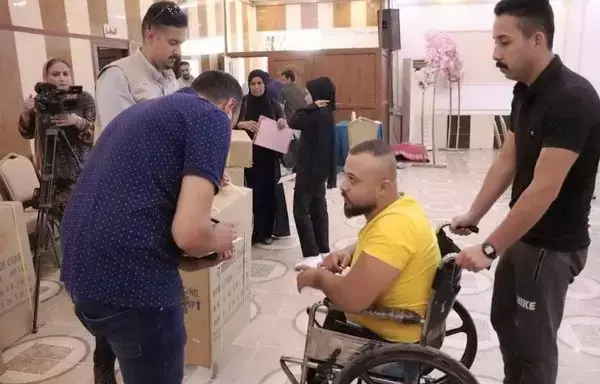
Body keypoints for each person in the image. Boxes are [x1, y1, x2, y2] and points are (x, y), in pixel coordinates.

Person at [59, 70, 243, 384]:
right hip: (132, 289)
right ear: (228, 107)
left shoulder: (141, 111)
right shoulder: (212, 117)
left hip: (79, 275)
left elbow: (137, 205)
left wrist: (187, 254)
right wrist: (219, 236)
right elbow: (191, 234)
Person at [450, 1, 600, 384]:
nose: (495, 54)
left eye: (504, 42)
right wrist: (475, 215)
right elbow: (508, 158)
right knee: (505, 321)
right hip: (523, 234)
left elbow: (544, 189)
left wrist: (488, 248)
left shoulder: (573, 98)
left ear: (537, 39)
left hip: (551, 245)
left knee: (533, 345)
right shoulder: (524, 91)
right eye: (494, 42)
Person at [296, 139, 441, 382]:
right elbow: (381, 248)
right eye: (345, 176)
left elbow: (351, 300)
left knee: (330, 308)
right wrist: (350, 253)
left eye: (353, 180)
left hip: (393, 350)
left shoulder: (392, 229)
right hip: (408, 333)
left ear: (383, 187)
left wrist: (317, 277)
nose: (342, 186)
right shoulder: (403, 206)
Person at [18, 58, 96, 219]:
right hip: (51, 172)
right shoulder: (41, 102)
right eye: (55, 74)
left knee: (83, 219)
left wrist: (76, 121)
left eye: (65, 74)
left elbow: (90, 136)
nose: (61, 78)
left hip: (79, 170)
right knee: (61, 221)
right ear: (45, 78)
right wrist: (26, 113)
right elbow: (28, 133)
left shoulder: (84, 99)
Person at [95, 1, 186, 131]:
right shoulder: (117, 76)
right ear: (150, 37)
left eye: (180, 44)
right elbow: (121, 139)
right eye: (173, 43)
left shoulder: (170, 77)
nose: (178, 52)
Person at [236, 69, 290, 245]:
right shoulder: (242, 103)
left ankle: (266, 232)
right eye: (253, 83)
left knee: (268, 194)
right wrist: (241, 124)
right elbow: (230, 122)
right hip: (249, 157)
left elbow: (282, 121)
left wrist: (282, 122)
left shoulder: (273, 103)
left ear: (265, 85)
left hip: (269, 157)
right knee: (253, 194)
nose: (256, 87)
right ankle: (253, 231)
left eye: (260, 83)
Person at [289, 77, 336, 269]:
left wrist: (311, 107)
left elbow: (294, 120)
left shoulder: (316, 114)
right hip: (319, 171)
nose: (306, 97)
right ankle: (323, 250)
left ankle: (311, 254)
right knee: (318, 210)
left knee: (300, 211)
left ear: (317, 96)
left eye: (308, 94)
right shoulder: (326, 113)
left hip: (309, 171)